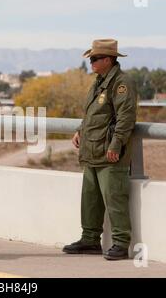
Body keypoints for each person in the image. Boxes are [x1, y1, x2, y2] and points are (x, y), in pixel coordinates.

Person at [62, 39, 137, 260]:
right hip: (92, 151)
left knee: (114, 199)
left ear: (108, 60)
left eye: (95, 59)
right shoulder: (99, 82)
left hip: (109, 153)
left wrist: (116, 144)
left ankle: (121, 244)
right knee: (90, 199)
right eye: (91, 58)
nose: (91, 62)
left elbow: (126, 117)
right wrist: (80, 130)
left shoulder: (121, 83)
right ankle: (90, 240)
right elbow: (93, 114)